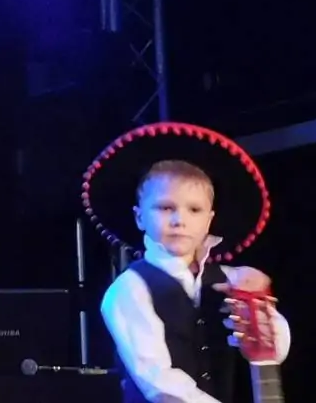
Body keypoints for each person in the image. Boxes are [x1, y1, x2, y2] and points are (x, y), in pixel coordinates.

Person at [83, 123, 291, 403]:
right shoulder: (128, 289)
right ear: (139, 217)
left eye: (194, 209)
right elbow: (161, 384)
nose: (179, 220)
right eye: (165, 207)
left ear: (209, 220)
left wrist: (260, 303)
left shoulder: (231, 280)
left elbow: (275, 351)